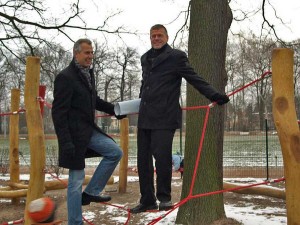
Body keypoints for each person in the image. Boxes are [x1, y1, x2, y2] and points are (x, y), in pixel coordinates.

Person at [130, 24, 230, 213]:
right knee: (143, 160)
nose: (156, 38)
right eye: (153, 36)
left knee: (162, 159)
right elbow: (145, 85)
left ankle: (164, 198)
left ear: (167, 37)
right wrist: (134, 104)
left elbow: (194, 78)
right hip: (145, 117)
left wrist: (214, 95)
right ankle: (147, 200)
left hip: (165, 117)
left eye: (160, 35)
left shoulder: (176, 56)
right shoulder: (145, 58)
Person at [52, 38, 125, 225]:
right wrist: (65, 142)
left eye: (92, 53)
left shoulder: (88, 74)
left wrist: (116, 110)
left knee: (114, 152)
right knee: (75, 183)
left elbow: (95, 100)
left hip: (89, 132)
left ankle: (91, 192)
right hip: (74, 137)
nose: (90, 56)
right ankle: (75, 222)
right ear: (76, 53)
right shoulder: (65, 77)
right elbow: (58, 114)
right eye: (86, 53)